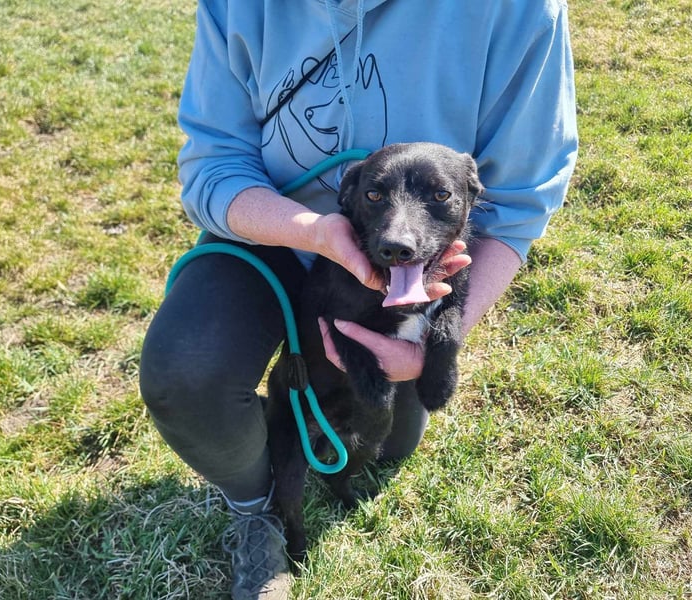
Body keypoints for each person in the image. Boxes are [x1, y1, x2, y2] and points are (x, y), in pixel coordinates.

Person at [139, 1, 578, 598]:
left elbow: (520, 204)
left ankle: (349, 402)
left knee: (385, 445)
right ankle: (257, 508)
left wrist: (432, 348)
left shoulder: (518, 10)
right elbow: (213, 166)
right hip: (268, 233)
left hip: (407, 266)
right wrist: (312, 232)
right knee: (186, 369)